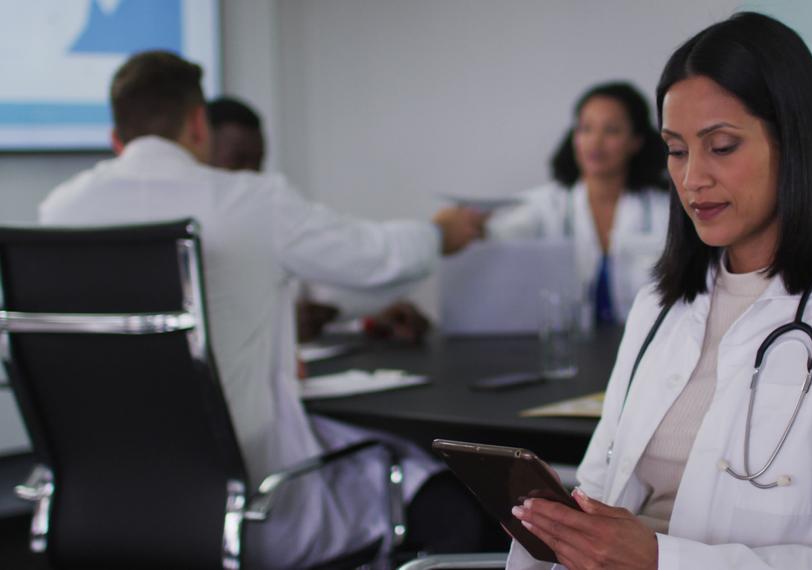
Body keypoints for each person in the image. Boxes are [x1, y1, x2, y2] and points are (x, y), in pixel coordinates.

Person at [507, 13, 812, 569]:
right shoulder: (659, 306)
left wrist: (663, 560)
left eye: (722, 146)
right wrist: (554, 527)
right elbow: (599, 487)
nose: (691, 180)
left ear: (794, 143)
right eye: (677, 150)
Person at [39, 51, 494, 568]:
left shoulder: (59, 211)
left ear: (115, 136)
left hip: (97, 507)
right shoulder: (251, 201)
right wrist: (439, 233)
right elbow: (374, 256)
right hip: (253, 509)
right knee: (444, 493)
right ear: (196, 124)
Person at [206, 96, 432, 343]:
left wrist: (367, 320)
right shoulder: (201, 229)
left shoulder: (260, 217)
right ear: (199, 147)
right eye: (237, 162)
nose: (251, 175)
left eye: (258, 163)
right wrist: (438, 234)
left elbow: (316, 285)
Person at [485, 82, 669, 324]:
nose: (595, 142)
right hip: (569, 348)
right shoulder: (545, 204)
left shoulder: (665, 209)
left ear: (636, 140)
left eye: (611, 130)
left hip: (646, 346)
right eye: (585, 129)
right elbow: (496, 234)